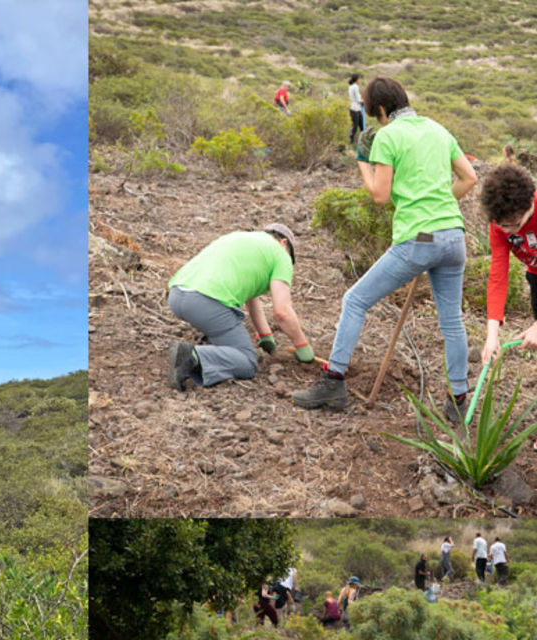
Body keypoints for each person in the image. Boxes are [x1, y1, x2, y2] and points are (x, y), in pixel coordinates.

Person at [293, 77, 477, 418]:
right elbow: (469, 178)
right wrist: (438, 212)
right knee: (452, 323)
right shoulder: (438, 129)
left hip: (420, 238)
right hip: (453, 236)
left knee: (355, 300)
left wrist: (363, 161)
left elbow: (379, 194)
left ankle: (333, 381)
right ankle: (459, 400)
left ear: (379, 109)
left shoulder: (387, 136)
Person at [166, 225, 314, 392]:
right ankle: (192, 355)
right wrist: (302, 346)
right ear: (284, 242)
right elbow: (282, 312)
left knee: (224, 331)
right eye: (290, 257)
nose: (289, 262)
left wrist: (265, 334)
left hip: (177, 295)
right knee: (247, 361)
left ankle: (209, 346)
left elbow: (251, 298)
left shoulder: (241, 238)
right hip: (205, 303)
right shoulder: (281, 254)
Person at [477, 164, 537, 365]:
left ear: (530, 204)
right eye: (502, 226)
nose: (509, 232)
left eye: (515, 224)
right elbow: (498, 277)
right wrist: (492, 336)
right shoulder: (499, 227)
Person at [347, 73, 364, 145]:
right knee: (355, 126)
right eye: (359, 79)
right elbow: (358, 99)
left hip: (355, 108)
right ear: (356, 79)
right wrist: (363, 101)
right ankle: (351, 142)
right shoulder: (355, 87)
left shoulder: (351, 86)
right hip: (355, 109)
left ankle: (362, 142)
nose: (360, 80)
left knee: (361, 126)